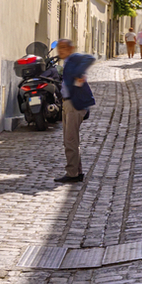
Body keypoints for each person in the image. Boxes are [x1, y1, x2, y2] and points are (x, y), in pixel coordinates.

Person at [53, 39, 96, 184]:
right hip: (67, 103)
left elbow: (90, 58)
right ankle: (77, 172)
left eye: (64, 48)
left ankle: (72, 174)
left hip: (74, 104)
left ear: (71, 49)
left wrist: (79, 73)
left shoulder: (74, 58)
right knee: (70, 140)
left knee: (70, 141)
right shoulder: (66, 62)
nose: (61, 51)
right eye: (59, 48)